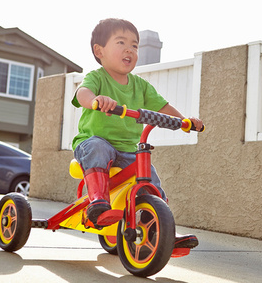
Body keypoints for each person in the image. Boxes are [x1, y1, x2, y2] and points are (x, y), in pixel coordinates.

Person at [71, 18, 203, 228]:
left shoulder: (140, 86)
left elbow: (163, 107)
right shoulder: (97, 78)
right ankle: (98, 202)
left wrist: (184, 122)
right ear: (99, 51)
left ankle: (159, 227)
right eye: (121, 42)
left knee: (149, 177)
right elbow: (82, 93)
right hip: (92, 143)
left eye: (135, 45)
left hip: (128, 150)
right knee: (98, 147)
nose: (130, 50)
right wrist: (96, 100)